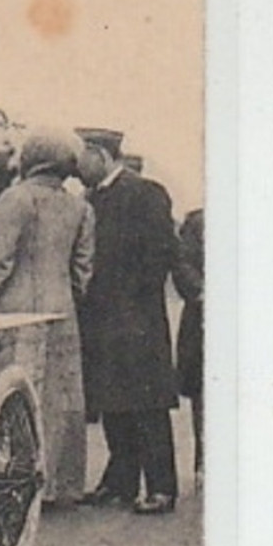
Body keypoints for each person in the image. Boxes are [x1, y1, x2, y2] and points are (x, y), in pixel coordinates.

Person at [0, 129, 95, 506]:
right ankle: (60, 484)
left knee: (11, 388)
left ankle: (10, 476)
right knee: (60, 396)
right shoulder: (80, 207)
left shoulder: (16, 199)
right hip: (61, 310)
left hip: (16, 308)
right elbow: (83, 270)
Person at [75, 126, 181, 514]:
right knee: (113, 400)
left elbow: (161, 252)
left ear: (99, 154)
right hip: (106, 317)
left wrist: (132, 299)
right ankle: (120, 481)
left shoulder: (144, 192)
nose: (76, 165)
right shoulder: (93, 197)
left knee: (147, 404)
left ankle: (161, 488)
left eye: (81, 156)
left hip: (137, 317)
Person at [174, 207, 205, 482]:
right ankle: (204, 464)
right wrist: (204, 293)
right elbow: (182, 264)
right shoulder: (197, 222)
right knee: (203, 395)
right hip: (203, 320)